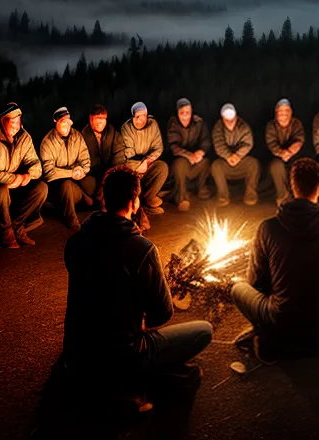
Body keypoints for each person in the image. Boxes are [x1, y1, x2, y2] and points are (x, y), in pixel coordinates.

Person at [63, 166, 213, 403]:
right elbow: (162, 314)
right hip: (121, 355)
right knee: (203, 331)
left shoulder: (76, 240)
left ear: (104, 198)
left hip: (76, 353)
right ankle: (133, 381)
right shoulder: (142, 248)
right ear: (134, 202)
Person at [231, 157, 319, 361]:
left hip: (283, 323)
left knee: (238, 289)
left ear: (292, 187)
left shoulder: (268, 228)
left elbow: (255, 282)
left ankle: (270, 336)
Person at [0, 102, 48, 247]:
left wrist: (28, 175)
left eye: (18, 121)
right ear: (3, 121)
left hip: (18, 185)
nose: (16, 126)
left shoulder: (24, 137)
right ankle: (6, 233)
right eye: (12, 122)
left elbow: (36, 164)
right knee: (1, 190)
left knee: (41, 187)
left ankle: (17, 226)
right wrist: (13, 178)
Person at [40, 106, 92, 232]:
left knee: (91, 184)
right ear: (55, 122)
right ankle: (71, 218)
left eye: (68, 121)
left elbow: (86, 162)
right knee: (66, 184)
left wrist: (81, 170)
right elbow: (48, 172)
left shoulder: (77, 136)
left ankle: (88, 200)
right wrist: (71, 172)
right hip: (59, 187)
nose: (66, 125)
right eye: (62, 122)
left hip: (77, 181)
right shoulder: (47, 143)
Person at [115, 101, 169, 216]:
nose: (141, 119)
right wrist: (139, 165)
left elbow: (158, 147)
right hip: (131, 164)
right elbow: (129, 153)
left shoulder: (152, 125)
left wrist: (147, 161)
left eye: (144, 116)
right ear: (134, 116)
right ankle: (137, 206)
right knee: (130, 178)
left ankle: (147, 199)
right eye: (138, 116)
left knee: (162, 167)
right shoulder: (126, 128)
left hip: (147, 163)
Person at [166, 98, 212, 211]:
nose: (185, 116)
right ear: (177, 113)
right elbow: (174, 146)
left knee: (205, 162)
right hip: (180, 161)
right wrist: (189, 155)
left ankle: (201, 188)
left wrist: (201, 151)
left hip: (195, 159)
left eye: (188, 112)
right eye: (182, 113)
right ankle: (182, 197)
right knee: (180, 163)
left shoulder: (199, 122)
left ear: (191, 112)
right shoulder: (173, 124)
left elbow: (206, 140)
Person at [211, 103, 260, 206]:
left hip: (241, 160)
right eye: (227, 120)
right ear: (222, 118)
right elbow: (218, 144)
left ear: (236, 116)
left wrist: (237, 155)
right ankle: (223, 196)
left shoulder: (244, 126)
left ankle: (250, 194)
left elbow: (248, 143)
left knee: (254, 164)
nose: (230, 122)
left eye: (232, 119)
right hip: (226, 161)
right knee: (216, 166)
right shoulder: (218, 127)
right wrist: (229, 156)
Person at [265, 98, 305, 203]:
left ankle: (301, 196)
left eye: (286, 111)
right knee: (276, 166)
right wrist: (282, 153)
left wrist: (290, 152)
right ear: (276, 113)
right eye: (281, 112)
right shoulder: (271, 126)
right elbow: (271, 143)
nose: (284, 115)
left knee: (302, 166)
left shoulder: (296, 123)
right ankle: (283, 198)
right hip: (277, 157)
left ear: (291, 112)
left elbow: (299, 139)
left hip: (293, 155)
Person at [79, 104, 119, 207]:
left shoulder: (112, 132)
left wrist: (110, 174)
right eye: (97, 118)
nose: (100, 122)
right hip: (91, 174)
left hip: (110, 172)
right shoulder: (83, 135)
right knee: (87, 184)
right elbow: (82, 159)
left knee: (116, 182)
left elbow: (119, 154)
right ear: (91, 119)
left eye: (103, 118)